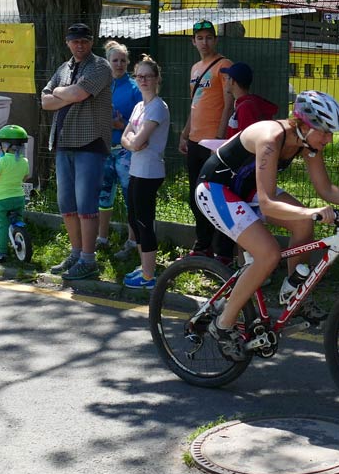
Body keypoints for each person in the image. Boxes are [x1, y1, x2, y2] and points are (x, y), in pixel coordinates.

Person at [194, 90, 339, 360]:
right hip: (215, 189)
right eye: (325, 132)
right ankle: (223, 324)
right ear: (304, 126)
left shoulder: (308, 144)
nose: (329, 139)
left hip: (246, 189)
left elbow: (326, 189)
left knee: (304, 225)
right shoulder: (270, 138)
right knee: (268, 254)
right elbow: (268, 203)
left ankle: (294, 292)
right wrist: (311, 211)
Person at [41, 22, 113, 281]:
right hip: (63, 143)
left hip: (90, 144)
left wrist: (61, 92)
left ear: (91, 41)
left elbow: (79, 93)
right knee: (67, 205)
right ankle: (76, 253)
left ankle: (88, 259)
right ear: (68, 42)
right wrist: (66, 94)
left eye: (84, 41)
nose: (80, 45)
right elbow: (45, 101)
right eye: (75, 41)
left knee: (86, 205)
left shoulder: (100, 66)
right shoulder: (64, 68)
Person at [178, 20, 234, 261]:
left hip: (214, 143)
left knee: (217, 196)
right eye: (200, 38)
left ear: (215, 40)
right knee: (196, 196)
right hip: (194, 141)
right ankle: (203, 246)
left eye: (209, 37)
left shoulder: (224, 65)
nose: (204, 42)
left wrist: (219, 141)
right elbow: (195, 103)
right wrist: (185, 133)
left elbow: (229, 104)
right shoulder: (194, 68)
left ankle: (224, 252)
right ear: (193, 42)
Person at [119, 56, 171, 289]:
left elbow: (137, 139)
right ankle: (145, 266)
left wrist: (132, 142)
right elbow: (126, 138)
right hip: (136, 170)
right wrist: (132, 143)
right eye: (139, 76)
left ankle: (149, 277)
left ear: (157, 79)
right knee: (134, 218)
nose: (143, 80)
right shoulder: (139, 107)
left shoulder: (158, 107)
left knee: (144, 222)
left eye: (148, 76)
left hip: (150, 172)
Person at [96, 40, 143, 260]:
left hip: (126, 152)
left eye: (123, 60)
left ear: (128, 62)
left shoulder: (135, 88)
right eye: (115, 60)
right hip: (105, 149)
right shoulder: (101, 86)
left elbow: (142, 123)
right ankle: (102, 238)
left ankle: (132, 241)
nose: (119, 64)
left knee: (130, 197)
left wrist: (120, 125)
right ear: (108, 62)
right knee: (104, 195)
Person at [0, 124, 31, 263]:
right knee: (18, 219)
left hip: (3, 199)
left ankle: (2, 253)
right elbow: (24, 178)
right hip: (19, 198)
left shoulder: (3, 160)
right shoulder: (24, 161)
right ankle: (20, 238)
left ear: (6, 146)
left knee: (2, 225)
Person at [221, 62, 279, 138]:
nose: (225, 81)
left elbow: (246, 139)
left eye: (227, 78)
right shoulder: (245, 103)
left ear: (232, 81)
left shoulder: (245, 107)